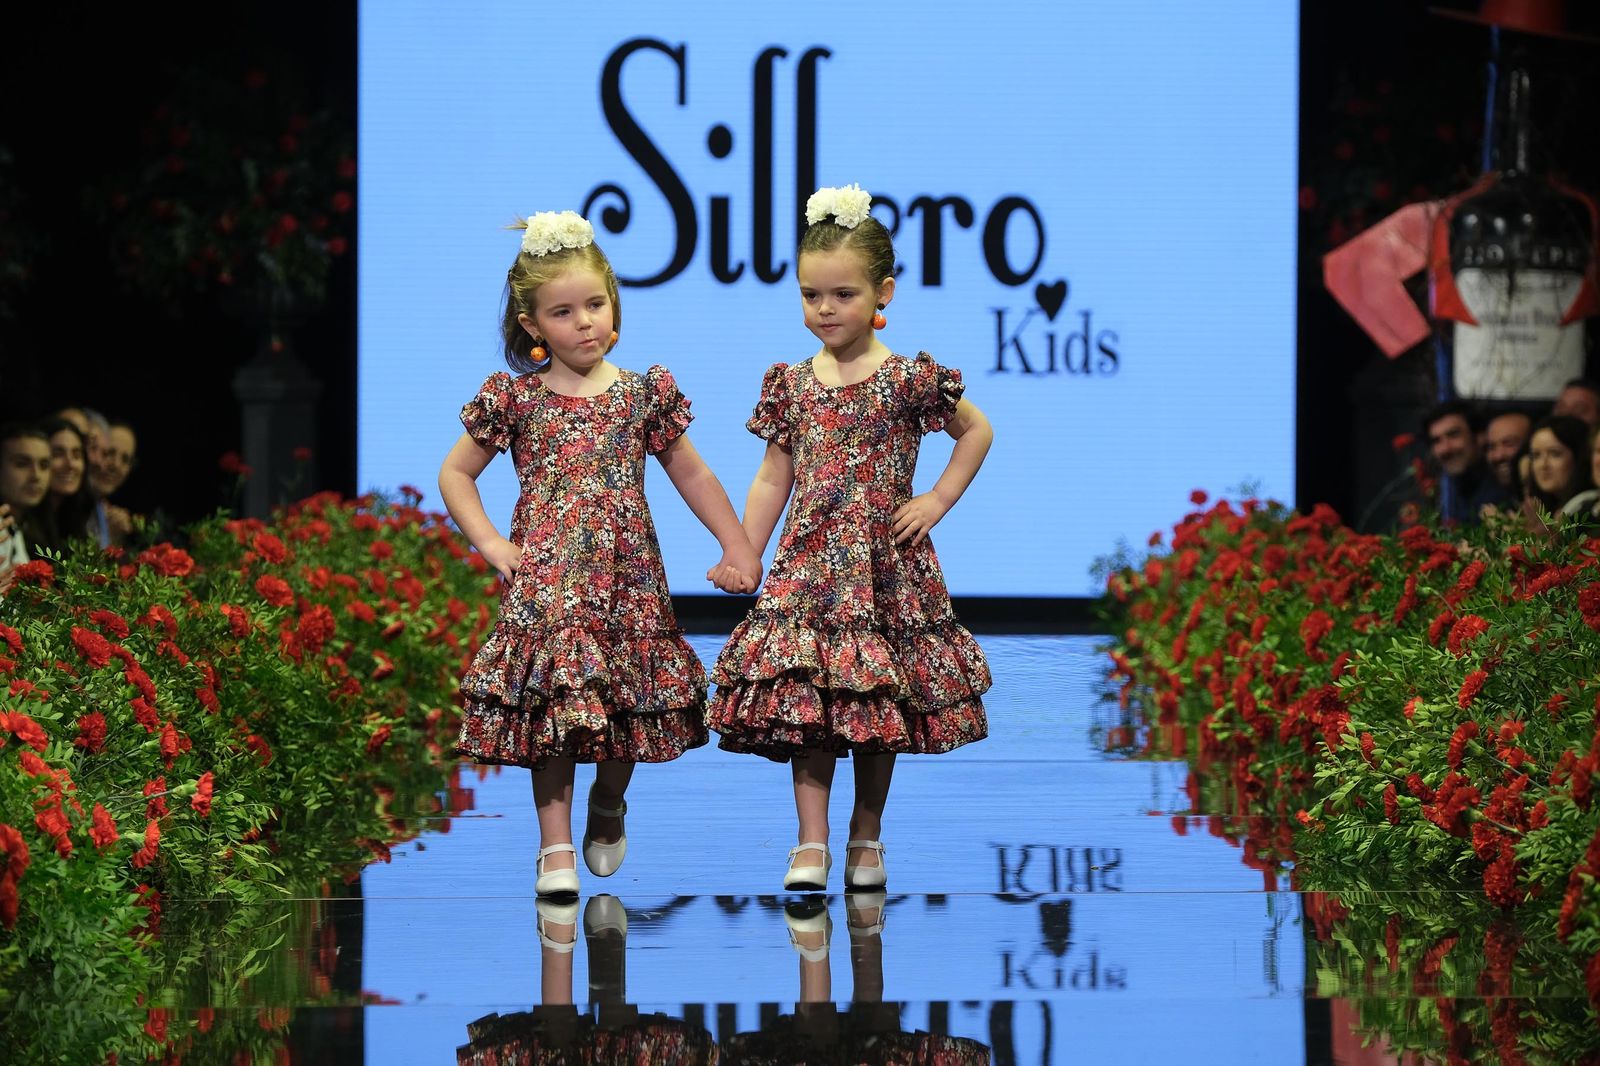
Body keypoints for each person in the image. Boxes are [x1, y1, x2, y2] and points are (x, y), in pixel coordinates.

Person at [438, 210, 761, 898]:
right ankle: (553, 847)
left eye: (594, 304)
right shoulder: (516, 401)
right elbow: (455, 474)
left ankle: (609, 801)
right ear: (532, 326)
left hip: (626, 583)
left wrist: (735, 543)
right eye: (563, 311)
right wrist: (493, 541)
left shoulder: (641, 394)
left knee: (625, 702)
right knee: (554, 704)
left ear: (613, 303)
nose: (583, 322)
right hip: (548, 581)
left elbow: (692, 474)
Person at [707, 183, 994, 891]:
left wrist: (937, 497)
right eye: (811, 295)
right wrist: (745, 550)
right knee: (809, 704)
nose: (825, 310)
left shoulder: (907, 379)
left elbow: (976, 430)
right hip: (809, 569)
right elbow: (773, 477)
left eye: (841, 294)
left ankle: (866, 834)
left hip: (883, 568)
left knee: (873, 706)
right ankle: (811, 842)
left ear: (882, 292)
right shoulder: (793, 384)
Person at [1421, 399, 1489, 524]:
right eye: (1436, 441)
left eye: (1453, 435)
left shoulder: (1506, 491)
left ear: (1480, 437)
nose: (1445, 449)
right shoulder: (1454, 492)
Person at [39, 417, 96, 556]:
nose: (70, 464)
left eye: (77, 455)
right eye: (57, 454)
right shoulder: (23, 522)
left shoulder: (78, 518)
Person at [1524, 414, 1591, 514]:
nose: (1543, 465)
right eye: (1536, 455)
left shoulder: (1589, 508)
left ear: (1579, 457)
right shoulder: (1542, 508)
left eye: (1554, 454)